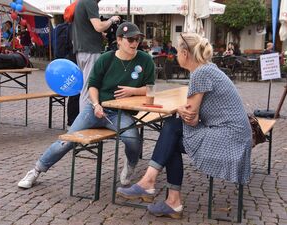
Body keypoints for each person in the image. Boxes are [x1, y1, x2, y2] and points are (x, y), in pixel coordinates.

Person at [116, 32, 252, 219]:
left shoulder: (201, 73)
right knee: (171, 134)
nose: (175, 55)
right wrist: (183, 111)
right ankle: (168, 198)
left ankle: (156, 188)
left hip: (229, 141)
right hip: (235, 137)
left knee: (172, 129)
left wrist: (181, 110)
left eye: (177, 51)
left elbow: (190, 119)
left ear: (185, 53)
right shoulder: (208, 69)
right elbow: (192, 117)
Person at [18, 22, 155, 189]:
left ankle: (130, 165)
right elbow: (93, 86)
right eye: (130, 39)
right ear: (119, 40)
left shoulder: (145, 60)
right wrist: (96, 104)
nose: (135, 43)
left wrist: (132, 91)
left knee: (133, 140)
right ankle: (36, 170)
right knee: (67, 140)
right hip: (96, 109)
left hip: (120, 114)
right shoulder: (106, 59)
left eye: (137, 39)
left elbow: (150, 89)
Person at [72, 0, 120, 112]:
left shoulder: (82, 2)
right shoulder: (90, 2)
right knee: (89, 88)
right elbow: (98, 26)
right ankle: (84, 122)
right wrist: (111, 20)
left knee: (85, 87)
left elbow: (89, 28)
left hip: (82, 50)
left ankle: (85, 120)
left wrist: (101, 35)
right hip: (90, 51)